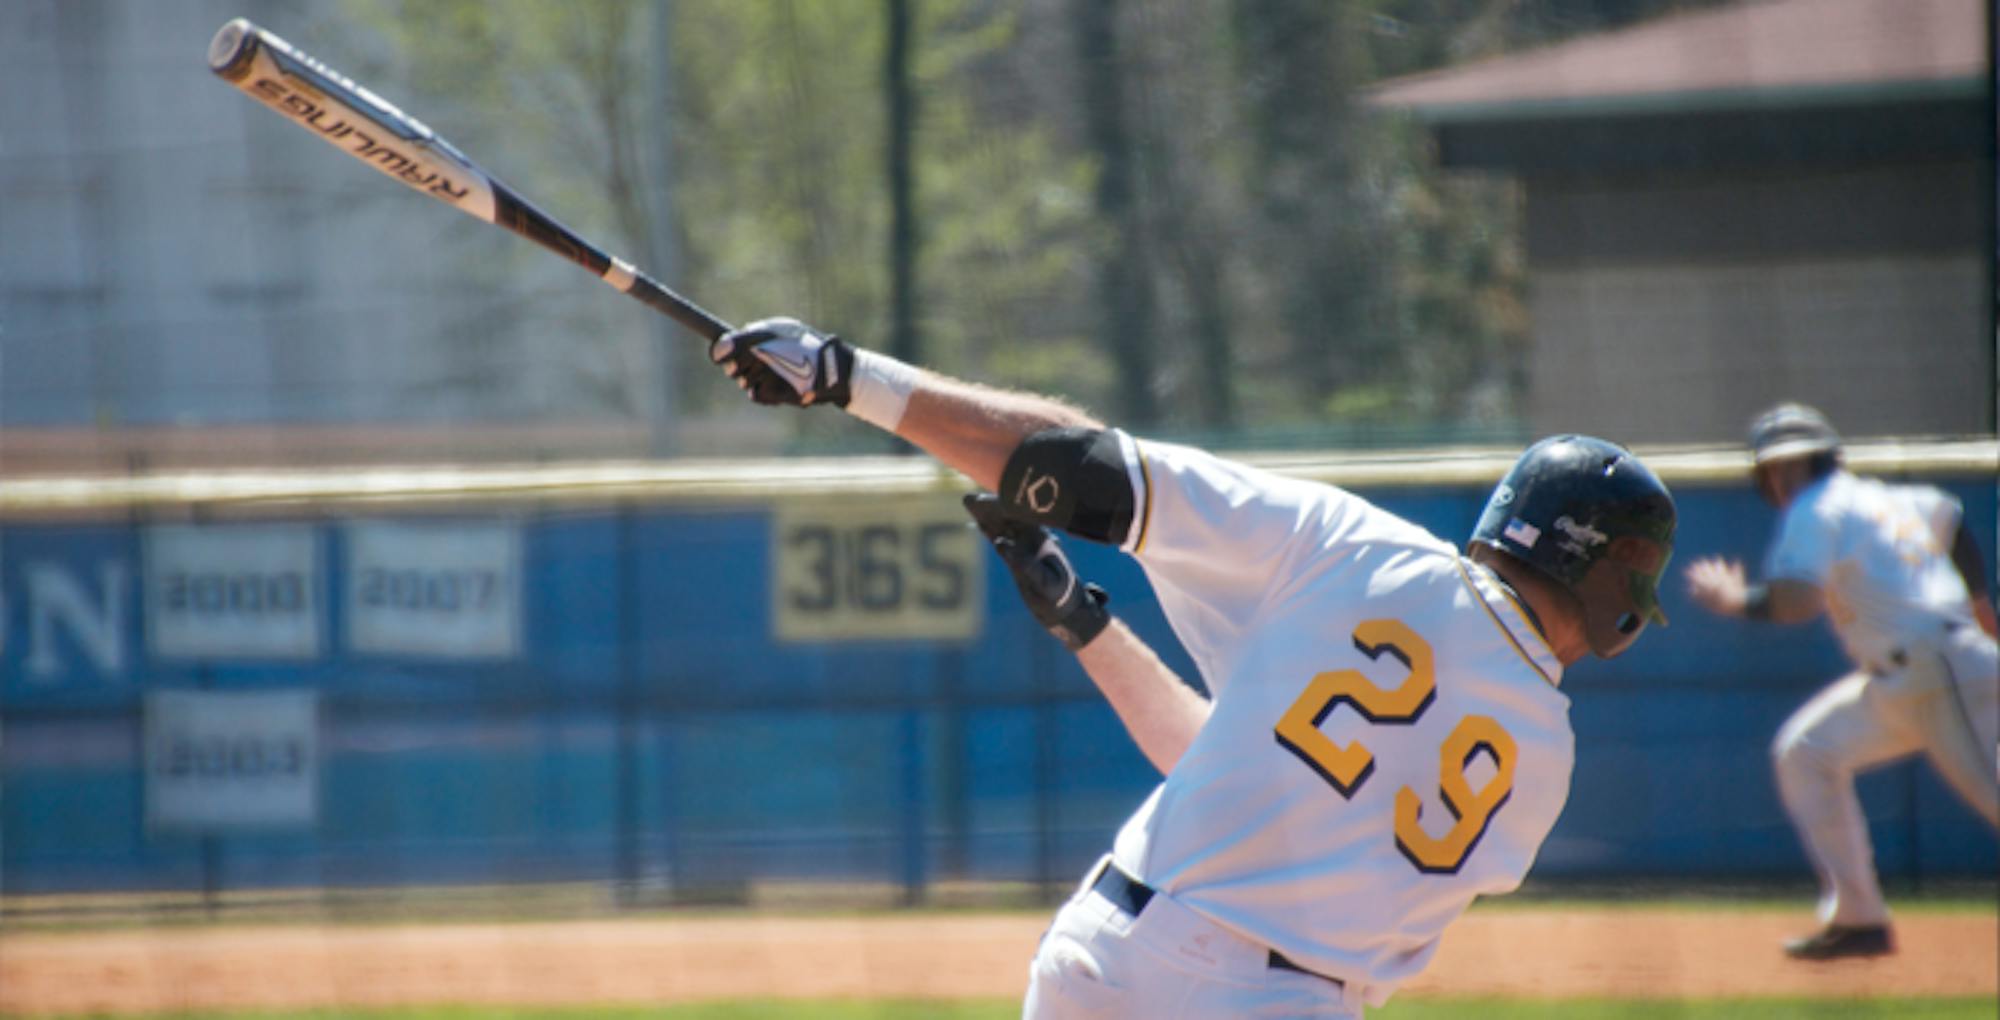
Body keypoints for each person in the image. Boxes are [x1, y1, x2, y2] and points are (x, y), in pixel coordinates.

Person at [710, 318, 1677, 1017]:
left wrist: (847, 375)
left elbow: (1080, 468)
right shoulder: (1544, 763)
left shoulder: (1354, 544)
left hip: (1101, 958)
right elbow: (1260, 807)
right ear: (1614, 589)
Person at [1683, 402, 1999, 961]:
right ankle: (1859, 919)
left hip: (1935, 666)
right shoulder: (1888, 497)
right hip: (1912, 674)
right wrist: (1981, 610)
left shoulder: (1815, 508)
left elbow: (1798, 601)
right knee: (1806, 752)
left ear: (1776, 471)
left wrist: (1733, 601)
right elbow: (1952, 520)